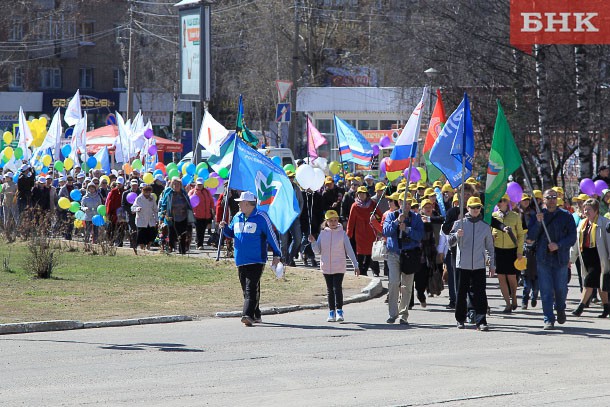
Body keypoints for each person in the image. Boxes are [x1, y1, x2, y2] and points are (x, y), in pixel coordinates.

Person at [219, 191, 281, 327]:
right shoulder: (237, 217)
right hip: (240, 260)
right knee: (246, 289)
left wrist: (277, 254)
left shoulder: (262, 217)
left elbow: (272, 236)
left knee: (250, 288)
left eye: (241, 202)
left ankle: (247, 315)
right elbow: (231, 233)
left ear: (248, 204)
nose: (239, 205)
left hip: (256, 260)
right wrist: (224, 228)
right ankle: (256, 313)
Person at [526, 189, 577, 330]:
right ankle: (548, 318)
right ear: (543, 199)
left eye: (554, 197)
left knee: (561, 289)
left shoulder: (566, 216)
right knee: (546, 290)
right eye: (549, 197)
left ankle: (560, 308)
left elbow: (572, 237)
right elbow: (530, 237)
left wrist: (558, 245)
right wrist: (537, 222)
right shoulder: (537, 216)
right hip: (543, 259)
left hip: (560, 259)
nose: (552, 199)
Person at [448, 196, 495, 331]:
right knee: (461, 293)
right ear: (467, 208)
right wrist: (457, 235)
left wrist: (492, 264)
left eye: (478, 207)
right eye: (472, 207)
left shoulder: (485, 226)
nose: (475, 210)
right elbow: (449, 242)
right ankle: (460, 319)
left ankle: (481, 321)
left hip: (479, 265)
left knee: (480, 293)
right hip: (462, 264)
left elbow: (490, 247)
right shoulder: (459, 224)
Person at [309, 210, 358, 322]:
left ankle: (339, 311)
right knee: (330, 289)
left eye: (335, 220)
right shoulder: (322, 233)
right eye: (331, 221)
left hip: (339, 265)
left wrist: (356, 264)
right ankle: (331, 312)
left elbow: (349, 250)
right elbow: (318, 251)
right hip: (326, 266)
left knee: (337, 288)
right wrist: (313, 242)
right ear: (326, 222)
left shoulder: (342, 234)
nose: (333, 222)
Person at [383, 193, 424, 324]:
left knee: (407, 286)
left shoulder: (416, 217)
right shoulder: (391, 215)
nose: (405, 205)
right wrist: (396, 222)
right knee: (394, 282)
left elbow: (419, 235)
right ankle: (392, 313)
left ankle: (403, 314)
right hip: (394, 253)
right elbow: (386, 231)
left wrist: (407, 229)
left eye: (408, 203)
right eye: (403, 202)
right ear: (399, 203)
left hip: (410, 255)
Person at [570, 199, 610, 318]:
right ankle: (606, 307)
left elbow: (609, 241)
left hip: (599, 257)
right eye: (585, 209)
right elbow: (576, 243)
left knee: (588, 283)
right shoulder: (582, 223)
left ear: (596, 211)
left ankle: (580, 307)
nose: (586, 211)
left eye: (589, 209)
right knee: (600, 285)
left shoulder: (604, 223)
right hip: (586, 256)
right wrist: (571, 258)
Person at [492, 194, 525, 313]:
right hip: (498, 250)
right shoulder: (493, 216)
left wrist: (519, 251)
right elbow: (488, 235)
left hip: (512, 250)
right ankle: (507, 303)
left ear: (507, 202)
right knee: (501, 277)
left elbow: (521, 235)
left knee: (511, 277)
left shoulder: (515, 216)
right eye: (498, 201)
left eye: (502, 201)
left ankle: (514, 297)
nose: (500, 203)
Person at [346, 186, 382, 276]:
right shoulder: (354, 206)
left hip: (371, 231)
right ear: (357, 194)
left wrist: (377, 221)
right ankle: (361, 270)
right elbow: (351, 221)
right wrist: (348, 234)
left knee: (370, 252)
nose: (361, 195)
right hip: (360, 232)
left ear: (367, 194)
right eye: (359, 193)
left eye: (363, 193)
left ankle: (365, 269)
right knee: (360, 252)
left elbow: (380, 216)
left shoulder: (373, 204)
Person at [158, 177, 194, 255]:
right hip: (171, 218)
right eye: (174, 184)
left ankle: (182, 250)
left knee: (183, 234)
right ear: (172, 185)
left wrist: (191, 214)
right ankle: (170, 249)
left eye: (178, 184)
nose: (176, 186)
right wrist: (161, 217)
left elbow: (188, 204)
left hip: (183, 217)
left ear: (180, 185)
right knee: (172, 234)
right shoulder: (169, 194)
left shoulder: (183, 193)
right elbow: (164, 206)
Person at [189, 178, 215, 250]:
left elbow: (211, 201)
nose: (200, 185)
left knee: (202, 230)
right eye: (198, 184)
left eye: (201, 184)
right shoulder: (192, 192)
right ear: (196, 184)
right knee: (199, 230)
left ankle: (198, 241)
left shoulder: (207, 192)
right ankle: (199, 244)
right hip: (197, 215)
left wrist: (213, 209)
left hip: (206, 215)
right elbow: (189, 202)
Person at [131, 184, 159, 253]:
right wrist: (137, 208)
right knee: (141, 236)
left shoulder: (152, 198)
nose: (147, 194)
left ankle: (148, 246)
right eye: (146, 192)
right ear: (143, 191)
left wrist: (157, 219)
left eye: (149, 192)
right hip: (141, 220)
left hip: (150, 220)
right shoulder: (139, 198)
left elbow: (155, 209)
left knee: (152, 234)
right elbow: (132, 208)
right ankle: (142, 248)